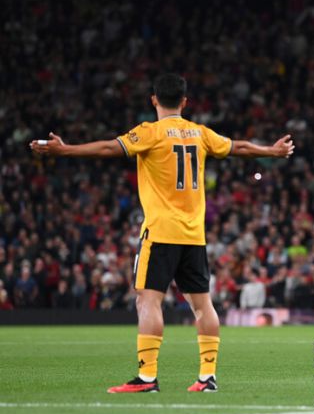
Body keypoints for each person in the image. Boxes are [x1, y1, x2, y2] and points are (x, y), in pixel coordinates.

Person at [30, 73, 294, 393]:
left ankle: (147, 377)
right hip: (194, 235)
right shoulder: (199, 133)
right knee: (203, 305)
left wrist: (65, 150)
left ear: (154, 99)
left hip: (160, 233)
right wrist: (272, 151)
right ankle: (207, 376)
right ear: (184, 101)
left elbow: (109, 148)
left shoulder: (150, 132)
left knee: (148, 301)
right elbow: (238, 147)